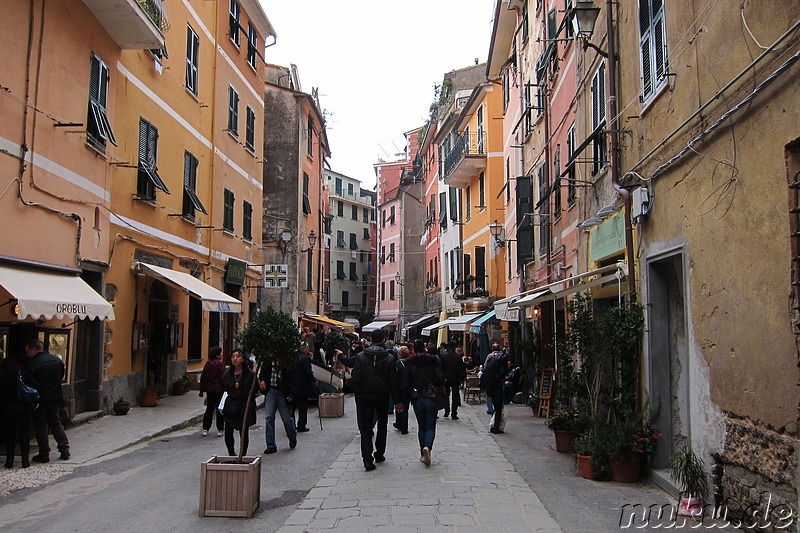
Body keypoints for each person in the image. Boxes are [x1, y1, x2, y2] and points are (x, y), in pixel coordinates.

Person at [349, 329, 401, 471]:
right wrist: (397, 401)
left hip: (365, 396)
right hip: (382, 396)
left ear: (371, 339)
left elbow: (356, 378)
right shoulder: (390, 358)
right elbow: (393, 381)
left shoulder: (360, 357)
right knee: (382, 426)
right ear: (383, 340)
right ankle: (379, 453)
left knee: (366, 428)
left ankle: (367, 458)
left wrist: (359, 392)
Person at [401, 339, 445, 467]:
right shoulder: (432, 361)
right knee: (431, 426)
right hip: (431, 396)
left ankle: (422, 452)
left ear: (413, 349)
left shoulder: (409, 363)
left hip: (417, 397)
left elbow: (405, 383)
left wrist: (404, 398)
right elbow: (440, 378)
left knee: (422, 426)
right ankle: (428, 447)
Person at [24, 339, 70, 462]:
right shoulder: (56, 360)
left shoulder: (33, 364)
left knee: (41, 425)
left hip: (41, 398)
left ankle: (44, 453)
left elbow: (30, 383)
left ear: (34, 350)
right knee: (55, 422)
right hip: (55, 396)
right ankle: (64, 449)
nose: (27, 355)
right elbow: (60, 377)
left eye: (28, 352)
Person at [1, 354, 38, 468]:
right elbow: (35, 386)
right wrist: (35, 401)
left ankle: (9, 460)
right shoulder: (24, 373)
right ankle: (25, 460)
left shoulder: (3, 375)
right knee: (24, 433)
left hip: (8, 407)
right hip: (24, 406)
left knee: (10, 434)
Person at [221, 349, 257, 456]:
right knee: (228, 430)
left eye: (238, 356)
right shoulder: (228, 374)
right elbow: (226, 388)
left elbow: (255, 389)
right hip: (231, 404)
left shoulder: (250, 374)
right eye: (233, 357)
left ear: (242, 359)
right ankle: (231, 453)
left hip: (244, 404)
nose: (235, 359)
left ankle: (243, 454)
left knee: (243, 431)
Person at [259, 358, 297, 454]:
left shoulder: (288, 361)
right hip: (271, 391)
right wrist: (262, 381)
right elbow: (262, 373)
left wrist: (291, 394)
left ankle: (292, 437)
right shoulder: (268, 361)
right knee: (269, 417)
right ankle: (271, 445)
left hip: (283, 392)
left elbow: (293, 379)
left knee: (286, 419)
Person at [482, 343, 510, 433]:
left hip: (490, 386)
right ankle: (496, 427)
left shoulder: (490, 359)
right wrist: (506, 351)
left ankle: (493, 425)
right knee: (498, 408)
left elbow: (485, 369)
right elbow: (506, 357)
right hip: (497, 386)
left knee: (495, 407)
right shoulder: (498, 360)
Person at [289, 343, 317, 433]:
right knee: (302, 407)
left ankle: (291, 425)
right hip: (303, 386)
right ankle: (301, 425)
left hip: (293, 386)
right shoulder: (305, 359)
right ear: (303, 349)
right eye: (307, 348)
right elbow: (308, 373)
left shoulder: (292, 357)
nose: (308, 350)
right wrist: (313, 380)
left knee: (292, 407)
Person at [199, 346, 225, 437]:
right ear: (217, 355)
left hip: (209, 390)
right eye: (220, 353)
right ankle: (220, 429)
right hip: (219, 389)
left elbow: (203, 377)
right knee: (219, 409)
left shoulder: (208, 364)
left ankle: (205, 428)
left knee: (209, 409)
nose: (222, 355)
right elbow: (223, 377)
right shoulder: (220, 364)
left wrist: (201, 390)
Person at [440, 341, 467, 420]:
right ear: (455, 347)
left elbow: (442, 369)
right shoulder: (458, 357)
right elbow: (462, 368)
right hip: (455, 378)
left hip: (446, 378)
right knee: (455, 396)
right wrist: (462, 377)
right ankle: (454, 413)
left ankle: (446, 410)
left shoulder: (443, 356)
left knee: (446, 395)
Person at [392, 345, 410, 435]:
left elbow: (395, 377)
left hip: (399, 387)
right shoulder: (410, 362)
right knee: (405, 406)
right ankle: (400, 424)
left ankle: (402, 426)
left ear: (399, 354)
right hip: (408, 387)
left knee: (400, 405)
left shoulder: (398, 363)